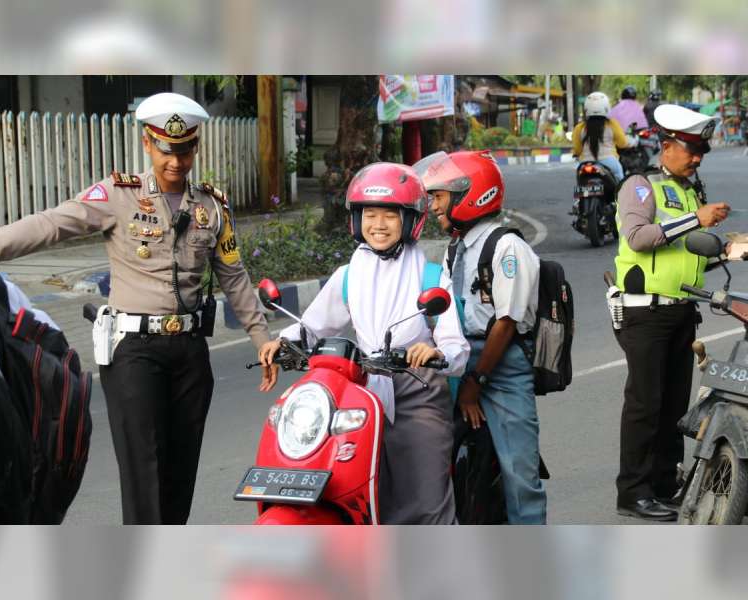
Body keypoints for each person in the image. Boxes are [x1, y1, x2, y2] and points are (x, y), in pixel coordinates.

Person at [0, 92, 275, 525]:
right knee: (144, 472)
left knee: (180, 472)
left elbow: (234, 276)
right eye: (167, 150)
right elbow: (50, 224)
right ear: (148, 143)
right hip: (134, 353)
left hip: (190, 355)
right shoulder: (117, 195)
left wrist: (262, 339)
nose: (176, 162)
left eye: (185, 151)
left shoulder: (211, 207)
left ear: (196, 146)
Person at [257, 162, 469, 524]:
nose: (379, 225)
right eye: (370, 214)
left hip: (415, 393)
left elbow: (456, 348)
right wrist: (283, 343)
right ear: (357, 220)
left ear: (411, 220)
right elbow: (311, 326)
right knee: (343, 483)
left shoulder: (432, 276)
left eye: (390, 215)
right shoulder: (349, 275)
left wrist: (434, 352)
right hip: (360, 392)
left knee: (425, 500)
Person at [415, 150, 547, 524]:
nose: (434, 206)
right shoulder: (456, 247)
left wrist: (476, 381)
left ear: (470, 194)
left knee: (520, 476)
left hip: (500, 367)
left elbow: (506, 322)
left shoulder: (507, 247)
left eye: (439, 197)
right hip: (457, 360)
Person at [612, 103, 730, 521]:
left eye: (701, 150)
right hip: (646, 313)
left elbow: (684, 253)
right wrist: (694, 219)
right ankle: (633, 491)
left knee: (674, 406)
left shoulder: (688, 190)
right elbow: (640, 237)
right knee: (645, 404)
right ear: (666, 146)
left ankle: (664, 484)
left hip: (681, 310)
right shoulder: (641, 186)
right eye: (690, 149)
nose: (697, 157)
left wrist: (727, 248)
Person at [571, 91, 632, 182]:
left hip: (585, 162)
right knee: (620, 179)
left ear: (586, 108)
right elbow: (622, 143)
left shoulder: (580, 128)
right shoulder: (612, 124)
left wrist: (576, 153)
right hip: (609, 161)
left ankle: (580, 194)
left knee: (580, 180)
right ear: (607, 107)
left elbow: (578, 149)